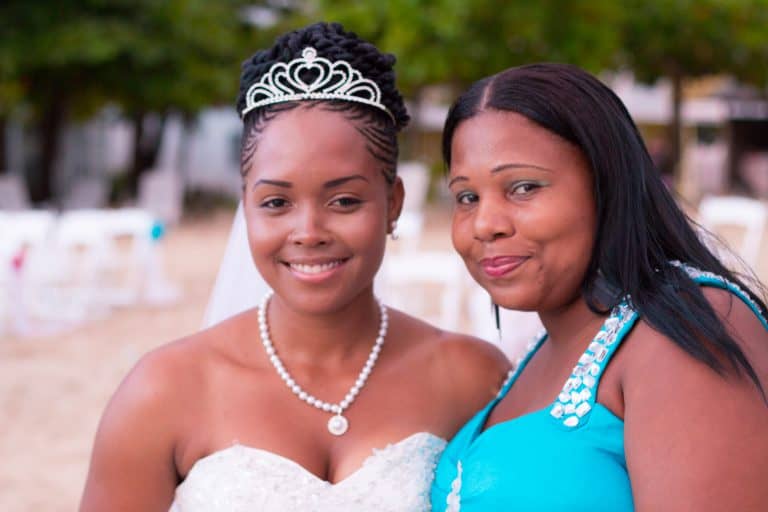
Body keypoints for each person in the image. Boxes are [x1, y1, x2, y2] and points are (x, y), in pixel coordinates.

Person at [80, 23, 510, 512]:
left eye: (344, 200)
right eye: (276, 202)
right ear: (246, 206)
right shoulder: (162, 391)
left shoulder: (473, 378)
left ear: (393, 204)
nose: (308, 231)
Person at [430, 63, 768, 511]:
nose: (485, 225)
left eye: (524, 187)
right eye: (466, 197)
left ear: (606, 184)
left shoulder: (684, 328)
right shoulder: (542, 349)